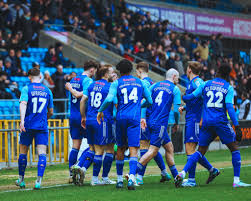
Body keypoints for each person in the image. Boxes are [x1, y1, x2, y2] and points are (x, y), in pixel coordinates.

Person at [175, 64, 251, 188]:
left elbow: (193, 96)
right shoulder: (228, 88)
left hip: (206, 122)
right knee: (234, 148)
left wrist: (184, 98)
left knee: (199, 151)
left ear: (217, 72)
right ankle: (236, 181)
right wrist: (237, 126)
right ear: (227, 75)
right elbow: (230, 108)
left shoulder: (206, 83)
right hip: (220, 122)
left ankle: (183, 173)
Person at [97, 59, 153, 190]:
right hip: (134, 118)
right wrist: (139, 105)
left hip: (121, 118)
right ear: (131, 70)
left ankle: (119, 180)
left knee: (121, 148)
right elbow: (150, 100)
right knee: (134, 149)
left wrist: (100, 111)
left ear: (120, 71)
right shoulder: (140, 82)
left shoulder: (116, 83)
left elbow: (110, 99)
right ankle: (132, 178)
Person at [136, 69, 181, 185]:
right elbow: (176, 111)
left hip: (150, 121)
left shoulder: (155, 85)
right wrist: (176, 122)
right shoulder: (175, 89)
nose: (178, 80)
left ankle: (176, 176)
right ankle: (134, 172)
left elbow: (144, 102)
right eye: (178, 78)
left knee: (169, 147)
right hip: (160, 124)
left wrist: (143, 117)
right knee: (152, 151)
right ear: (174, 76)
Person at [179, 61, 218, 187]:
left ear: (189, 69)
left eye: (187, 67)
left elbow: (204, 97)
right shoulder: (192, 82)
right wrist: (185, 108)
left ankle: (191, 180)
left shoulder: (197, 82)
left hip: (195, 119)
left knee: (190, 148)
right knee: (192, 150)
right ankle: (212, 170)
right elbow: (196, 100)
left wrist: (202, 117)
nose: (186, 69)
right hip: (191, 117)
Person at [15, 68, 53, 190]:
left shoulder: (26, 88)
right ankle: (38, 181)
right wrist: (44, 118)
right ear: (40, 76)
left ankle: (21, 180)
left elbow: (23, 104)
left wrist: (22, 121)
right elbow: (51, 111)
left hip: (28, 125)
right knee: (42, 153)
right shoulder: (47, 90)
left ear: (29, 77)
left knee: (23, 152)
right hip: (42, 126)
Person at [79, 66, 117, 186]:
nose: (113, 74)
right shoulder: (110, 86)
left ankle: (82, 168)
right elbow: (115, 103)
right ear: (105, 74)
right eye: (111, 73)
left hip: (90, 119)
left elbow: (82, 100)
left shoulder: (91, 85)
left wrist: (83, 116)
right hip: (103, 120)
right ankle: (98, 178)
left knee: (94, 149)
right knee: (108, 149)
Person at [65, 60, 99, 184]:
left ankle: (71, 174)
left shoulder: (74, 80)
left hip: (72, 115)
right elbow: (81, 96)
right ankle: (80, 166)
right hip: (83, 115)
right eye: (95, 70)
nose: (95, 73)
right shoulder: (88, 81)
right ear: (92, 69)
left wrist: (70, 89)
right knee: (94, 146)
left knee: (75, 146)